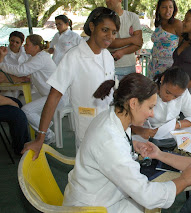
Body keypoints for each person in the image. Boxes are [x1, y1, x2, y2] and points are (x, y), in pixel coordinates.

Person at [63, 73, 191, 213]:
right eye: (150, 107)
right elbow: (147, 195)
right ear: (133, 103)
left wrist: (133, 143)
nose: (152, 114)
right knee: (151, 204)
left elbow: (115, 144)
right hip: (93, 207)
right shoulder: (110, 141)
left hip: (101, 195)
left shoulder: (111, 117)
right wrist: (184, 180)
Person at [21, 7, 120, 160]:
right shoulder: (74, 57)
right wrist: (40, 137)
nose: (110, 36)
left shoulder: (107, 56)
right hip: (87, 129)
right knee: (89, 173)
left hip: (109, 126)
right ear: (92, 27)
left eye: (114, 32)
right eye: (105, 30)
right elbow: (54, 96)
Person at [0, 34, 62, 144]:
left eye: (27, 44)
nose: (24, 46)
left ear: (36, 47)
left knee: (26, 110)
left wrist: (1, 64)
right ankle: (44, 124)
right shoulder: (34, 57)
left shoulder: (41, 58)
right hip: (46, 93)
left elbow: (20, 70)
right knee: (21, 103)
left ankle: (48, 135)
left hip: (56, 96)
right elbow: (24, 70)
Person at [132, 66, 191, 139]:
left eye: (176, 97)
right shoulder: (146, 91)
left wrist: (175, 125)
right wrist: (141, 131)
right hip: (145, 134)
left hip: (171, 135)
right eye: (167, 92)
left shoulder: (183, 93)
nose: (169, 98)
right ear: (162, 80)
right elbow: (128, 119)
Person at [105, 0, 143, 80]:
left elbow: (139, 43)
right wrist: (132, 39)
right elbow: (109, 43)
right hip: (109, 67)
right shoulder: (104, 18)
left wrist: (122, 52)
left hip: (130, 67)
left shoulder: (133, 17)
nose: (107, 0)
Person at [147, 0, 182, 79]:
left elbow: (185, 44)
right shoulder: (159, 24)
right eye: (164, 7)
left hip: (168, 68)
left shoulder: (177, 24)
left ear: (174, 9)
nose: (168, 10)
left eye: (170, 7)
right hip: (153, 66)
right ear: (158, 9)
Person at [0, 31, 30, 96]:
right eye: (12, 41)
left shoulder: (27, 52)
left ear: (21, 43)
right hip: (8, 87)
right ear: (9, 40)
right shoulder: (2, 52)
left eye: (17, 42)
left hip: (26, 86)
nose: (14, 44)